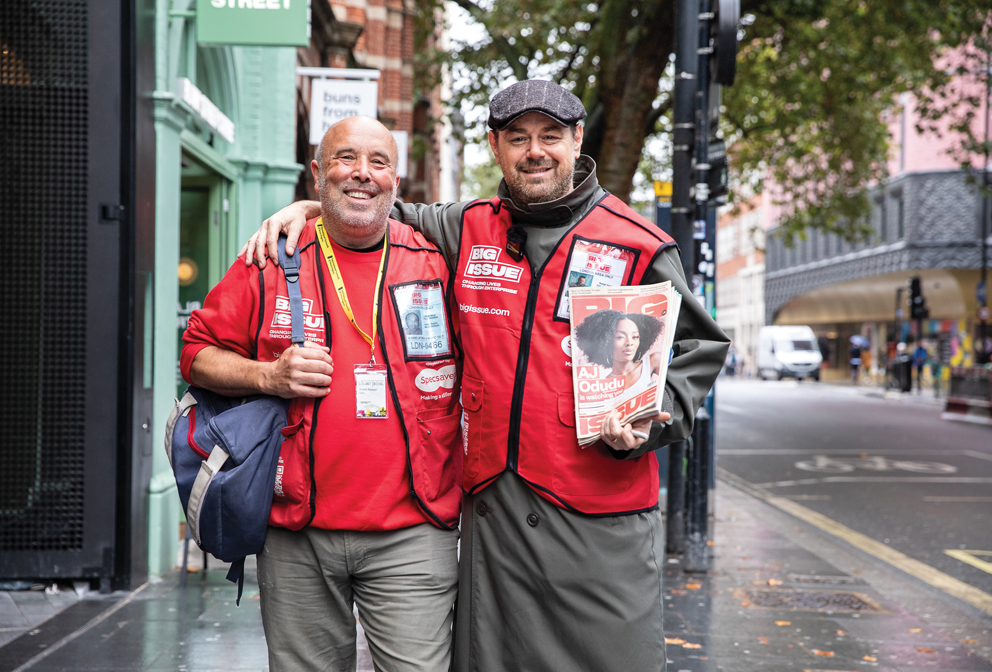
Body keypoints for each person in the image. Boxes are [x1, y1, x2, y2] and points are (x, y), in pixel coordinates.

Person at [244, 80, 730, 672]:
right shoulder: (466, 227)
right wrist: (311, 205)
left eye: (551, 136)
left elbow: (698, 346)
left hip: (593, 520)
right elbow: (376, 206)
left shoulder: (637, 244)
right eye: (518, 138)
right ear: (496, 148)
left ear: (577, 140)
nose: (535, 151)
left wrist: (652, 420)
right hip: (495, 518)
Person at [182, 117, 462, 672]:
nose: (362, 173)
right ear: (316, 173)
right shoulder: (270, 257)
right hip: (296, 532)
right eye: (344, 158)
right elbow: (196, 352)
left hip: (413, 531)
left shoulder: (437, 262)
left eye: (378, 162)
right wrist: (268, 376)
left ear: (397, 180)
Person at [575, 309, 663, 397]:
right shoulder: (601, 386)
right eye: (620, 337)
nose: (629, 342)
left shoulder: (653, 361)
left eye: (635, 337)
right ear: (606, 341)